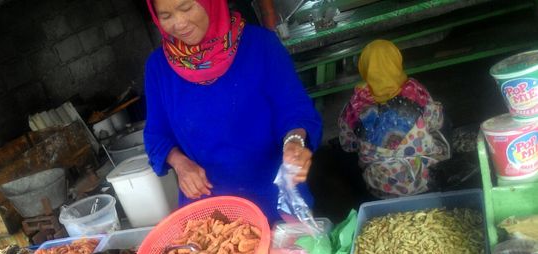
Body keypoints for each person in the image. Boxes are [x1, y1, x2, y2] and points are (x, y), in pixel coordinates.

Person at [143, 0, 322, 224]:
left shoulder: (260, 46)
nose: (179, 23)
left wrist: (295, 141)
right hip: (209, 211)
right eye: (166, 16)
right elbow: (155, 135)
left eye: (186, 8)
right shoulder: (158, 67)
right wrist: (180, 164)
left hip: (276, 197)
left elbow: (295, 109)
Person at [339, 39, 451, 198]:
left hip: (380, 188)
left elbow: (347, 145)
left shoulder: (354, 106)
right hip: (425, 180)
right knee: (440, 121)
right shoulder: (415, 92)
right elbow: (437, 122)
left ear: (364, 68)